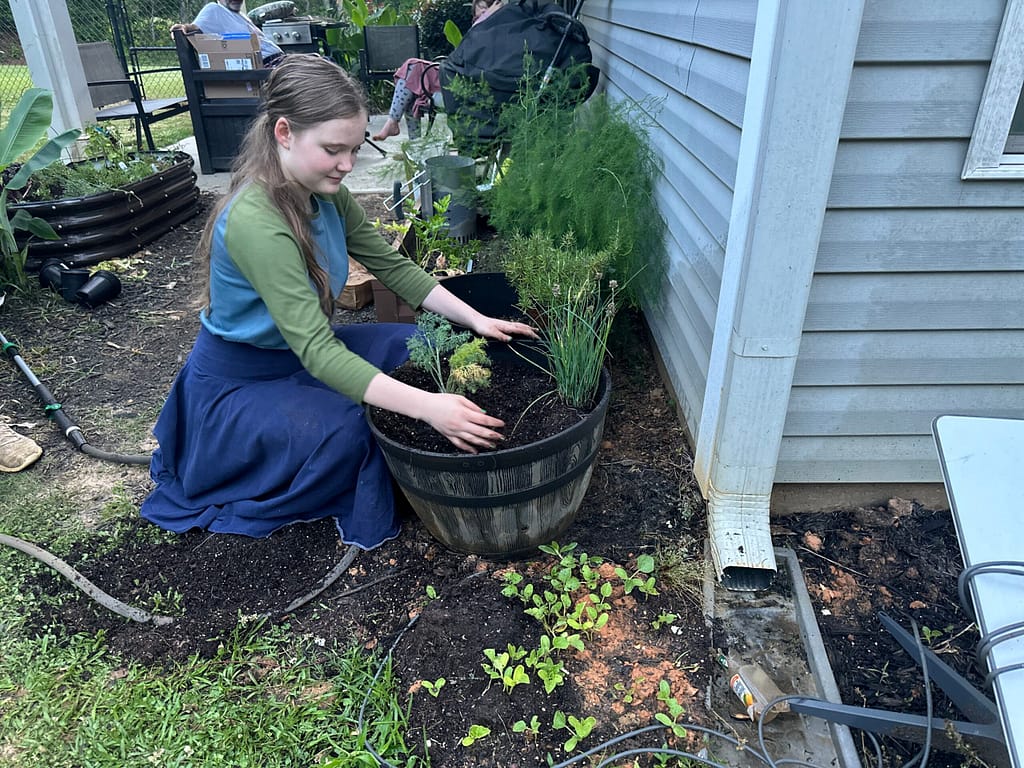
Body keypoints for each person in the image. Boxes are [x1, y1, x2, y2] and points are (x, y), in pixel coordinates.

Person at [140, 55, 535, 548]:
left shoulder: (325, 193)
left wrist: (478, 320)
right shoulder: (256, 222)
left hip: (304, 356)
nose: (347, 164)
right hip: (241, 384)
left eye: (353, 148)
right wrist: (430, 409)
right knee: (355, 430)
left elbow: (393, 268)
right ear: (284, 132)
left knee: (420, 346)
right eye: (333, 149)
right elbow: (319, 353)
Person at [372, 0, 504, 141]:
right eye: (480, 14)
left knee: (413, 68)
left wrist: (486, 20)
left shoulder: (500, 32)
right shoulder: (479, 32)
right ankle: (413, 142)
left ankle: (397, 127)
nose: (484, 15)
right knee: (413, 78)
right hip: (456, 77)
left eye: (487, 10)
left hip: (468, 85)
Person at [171, 0, 285, 66]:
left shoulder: (239, 14)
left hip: (278, 62)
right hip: (267, 66)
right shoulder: (214, 9)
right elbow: (195, 27)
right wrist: (183, 27)